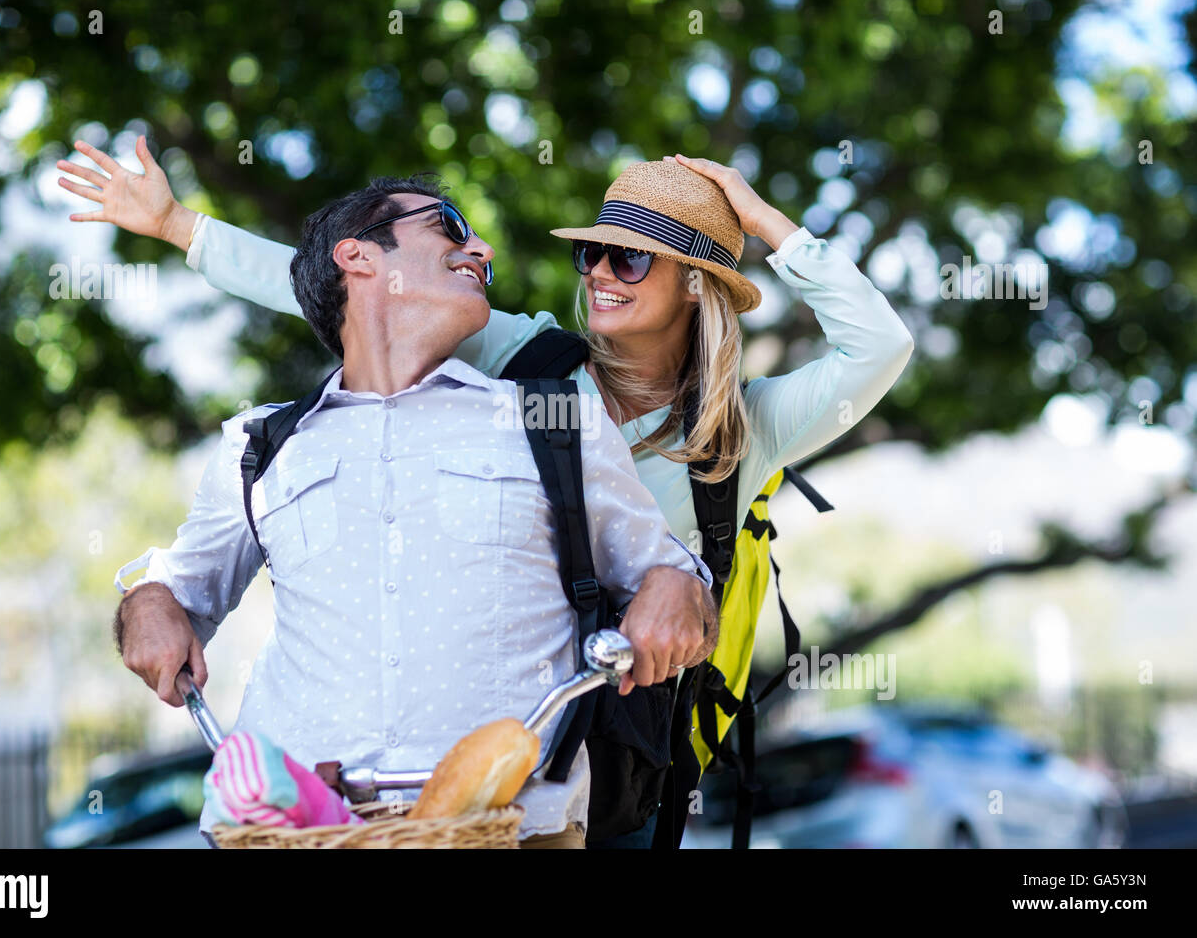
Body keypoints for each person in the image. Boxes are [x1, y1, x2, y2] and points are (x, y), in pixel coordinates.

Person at [62, 138, 915, 847]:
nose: (599, 276)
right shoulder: (536, 366)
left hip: (623, 729)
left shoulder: (746, 427)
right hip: (497, 744)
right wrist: (180, 227)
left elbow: (878, 348)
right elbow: (357, 290)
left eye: (630, 257)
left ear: (696, 284)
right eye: (591, 253)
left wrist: (763, 222)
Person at [111, 175, 716, 849]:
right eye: (451, 225)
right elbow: (172, 589)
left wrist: (674, 589)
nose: (482, 248)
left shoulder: (557, 423)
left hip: (512, 831)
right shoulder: (257, 447)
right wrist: (150, 606)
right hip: (292, 835)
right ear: (359, 257)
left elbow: (675, 577)